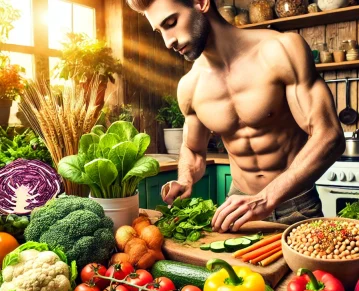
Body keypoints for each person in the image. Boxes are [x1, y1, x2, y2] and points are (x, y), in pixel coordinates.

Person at [127, 0, 346, 232]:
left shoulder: (280, 51)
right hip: (238, 208)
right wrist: (185, 179)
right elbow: (192, 150)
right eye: (160, 31)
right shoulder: (190, 86)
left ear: (200, 3)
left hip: (295, 206)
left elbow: (329, 136)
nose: (168, 41)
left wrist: (265, 199)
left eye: (171, 23)